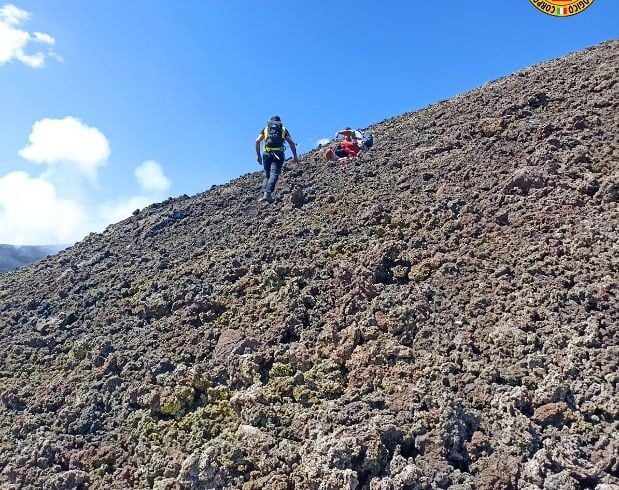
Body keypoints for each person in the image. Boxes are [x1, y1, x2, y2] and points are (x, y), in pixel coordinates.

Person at [255, 116, 298, 203]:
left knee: (267, 174)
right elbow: (292, 143)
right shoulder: (282, 129)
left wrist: (258, 156)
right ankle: (268, 194)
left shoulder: (266, 128)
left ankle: (263, 195)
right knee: (274, 173)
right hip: (278, 154)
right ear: (279, 121)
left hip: (266, 154)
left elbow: (257, 141)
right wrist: (295, 156)